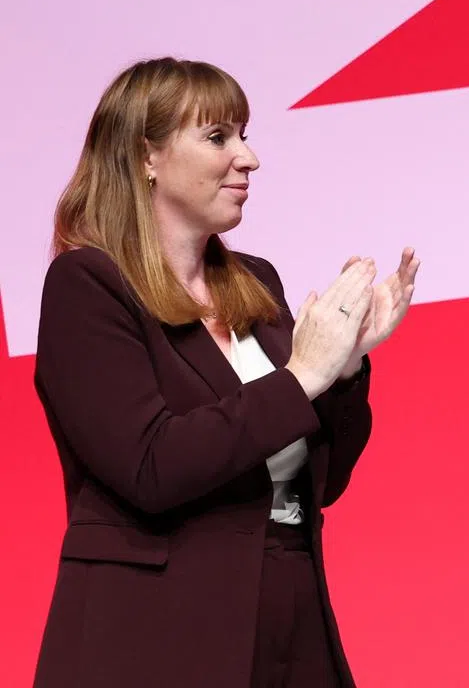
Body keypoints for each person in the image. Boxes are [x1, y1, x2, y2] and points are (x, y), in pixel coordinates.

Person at [32, 57, 420, 688]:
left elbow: (319, 485)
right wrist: (300, 378)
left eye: (245, 134)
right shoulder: (87, 285)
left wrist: (345, 368)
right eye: (219, 137)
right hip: (155, 636)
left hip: (290, 610)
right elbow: (151, 467)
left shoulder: (256, 282)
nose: (249, 158)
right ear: (145, 157)